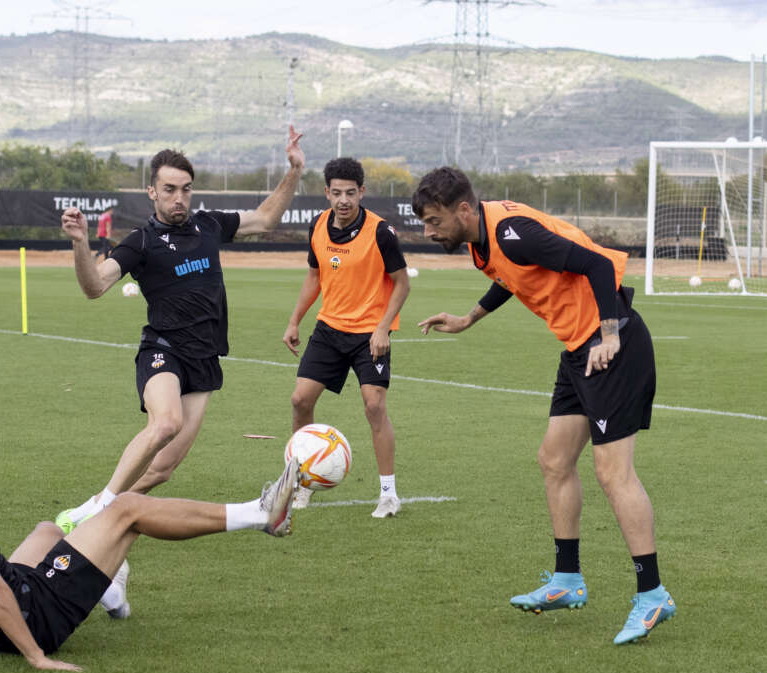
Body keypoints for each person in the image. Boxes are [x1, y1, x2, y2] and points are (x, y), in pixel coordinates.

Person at [411, 166, 675, 645]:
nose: (429, 232)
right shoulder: (483, 242)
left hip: (609, 346)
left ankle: (652, 592)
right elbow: (514, 279)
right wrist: (470, 318)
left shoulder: (513, 235)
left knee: (614, 474)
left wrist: (609, 334)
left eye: (434, 221)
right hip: (579, 350)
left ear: (464, 210)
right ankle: (567, 581)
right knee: (554, 460)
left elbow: (596, 265)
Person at [0, 415, 301, 672]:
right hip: (32, 616)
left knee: (47, 531)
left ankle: (109, 592)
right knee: (127, 510)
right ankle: (261, 515)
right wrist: (37, 656)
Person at [55, 126, 305, 530]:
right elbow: (95, 286)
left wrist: (293, 170)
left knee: (160, 470)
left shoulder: (208, 225)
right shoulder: (141, 241)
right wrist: (80, 243)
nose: (179, 198)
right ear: (152, 191)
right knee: (166, 423)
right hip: (162, 350)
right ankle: (99, 505)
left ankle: (99, 528)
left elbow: (266, 218)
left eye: (186, 189)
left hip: (204, 360)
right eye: (169, 189)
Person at [282, 157, 409, 517]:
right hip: (328, 330)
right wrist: (294, 321)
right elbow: (313, 277)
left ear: (362, 192)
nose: (343, 200)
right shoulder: (317, 226)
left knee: (374, 406)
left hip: (369, 333)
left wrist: (384, 327)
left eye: (350, 193)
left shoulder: (381, 232)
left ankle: (388, 494)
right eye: (336, 193)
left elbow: (403, 283)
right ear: (326, 192)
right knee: (300, 400)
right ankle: (302, 483)